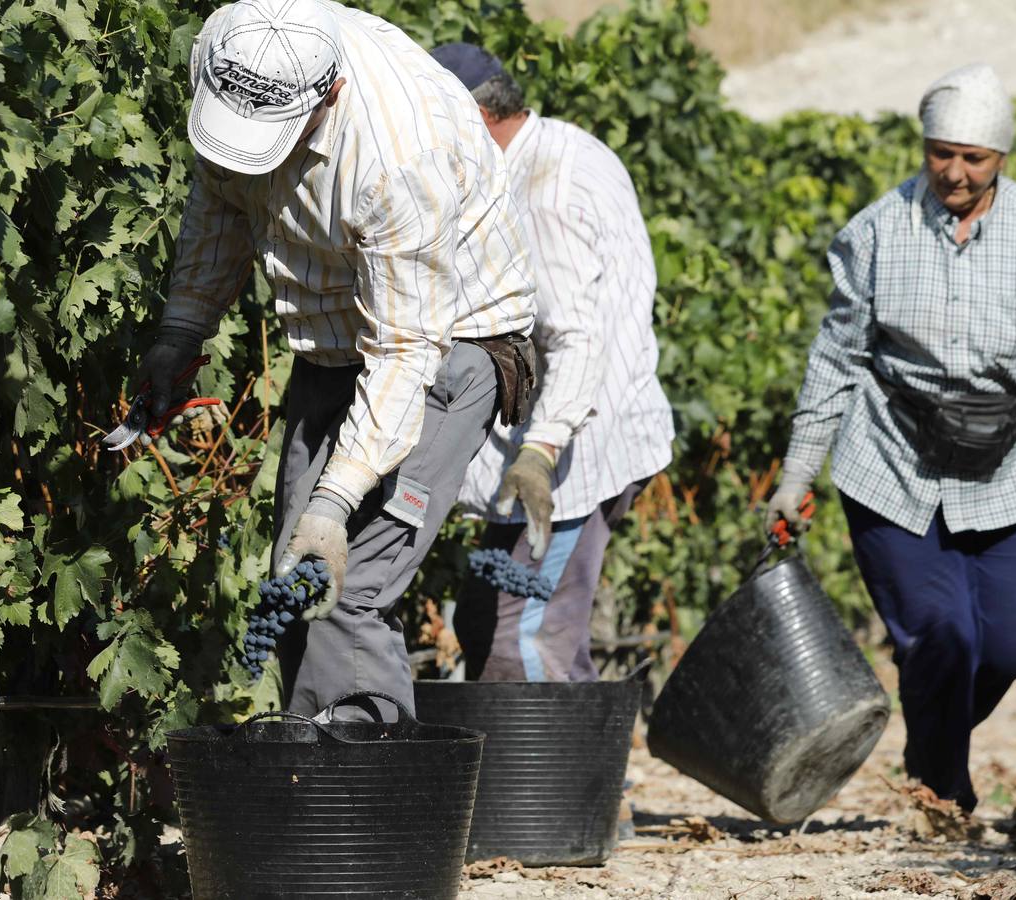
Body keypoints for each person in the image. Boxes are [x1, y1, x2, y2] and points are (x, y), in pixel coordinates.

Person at [135, 0, 536, 718]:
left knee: (346, 594)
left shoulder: (400, 157)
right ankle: (314, 794)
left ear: (331, 95)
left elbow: (405, 351)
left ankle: (368, 809)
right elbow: (219, 201)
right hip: (334, 340)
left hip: (448, 346)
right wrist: (181, 331)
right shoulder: (240, 54)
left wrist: (335, 497)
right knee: (295, 580)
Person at [767, 64, 1016, 812]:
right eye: (941, 152)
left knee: (1007, 641)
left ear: (1001, 159)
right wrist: (796, 476)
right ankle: (941, 792)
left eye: (973, 157)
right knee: (939, 635)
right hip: (893, 461)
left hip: (1004, 464)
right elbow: (835, 358)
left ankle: (929, 741)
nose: (954, 170)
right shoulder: (877, 232)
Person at [432, 45, 674, 682]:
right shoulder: (567, 145)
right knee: (495, 621)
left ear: (475, 118)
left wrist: (540, 452)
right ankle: (586, 782)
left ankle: (545, 787)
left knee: (524, 642)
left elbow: (575, 339)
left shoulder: (536, 195)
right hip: (597, 431)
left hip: (570, 461)